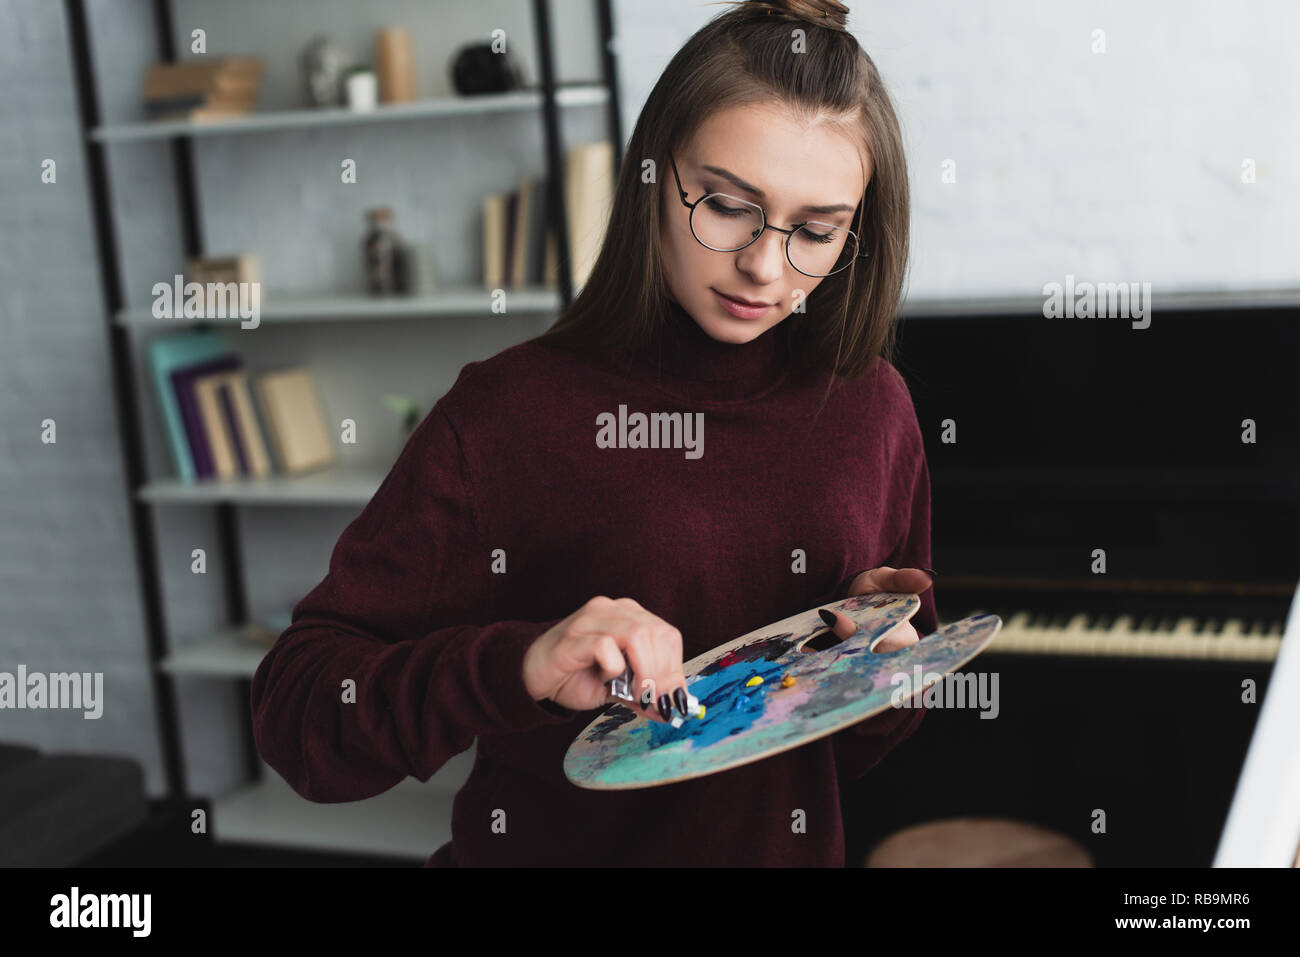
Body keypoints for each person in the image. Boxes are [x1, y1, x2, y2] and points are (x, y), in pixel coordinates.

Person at [251, 0, 937, 867]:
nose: (766, 266)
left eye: (815, 230)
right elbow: (299, 716)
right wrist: (520, 665)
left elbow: (862, 745)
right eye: (727, 206)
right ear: (654, 174)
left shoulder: (875, 408)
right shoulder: (508, 410)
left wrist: (877, 670)